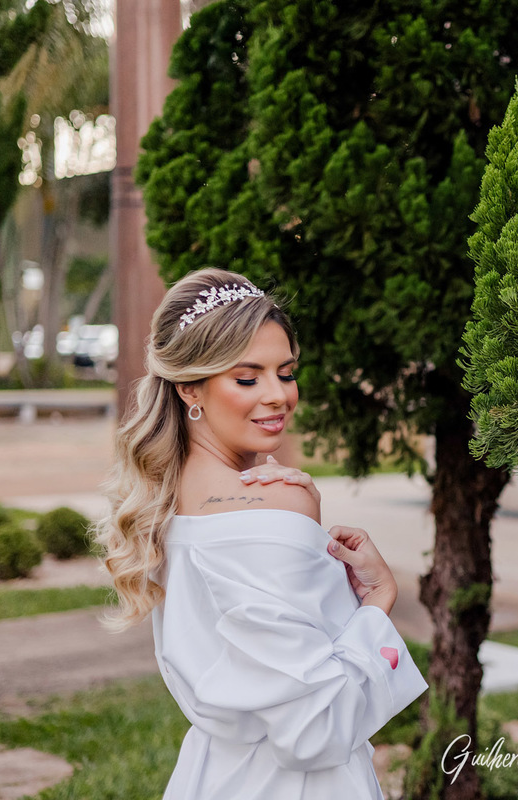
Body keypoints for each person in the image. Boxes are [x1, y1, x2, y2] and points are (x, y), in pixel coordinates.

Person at [93, 267, 427, 799]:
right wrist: (375, 603)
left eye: (287, 372)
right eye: (247, 378)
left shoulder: (161, 503)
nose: (278, 396)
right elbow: (315, 729)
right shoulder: (277, 502)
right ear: (189, 388)